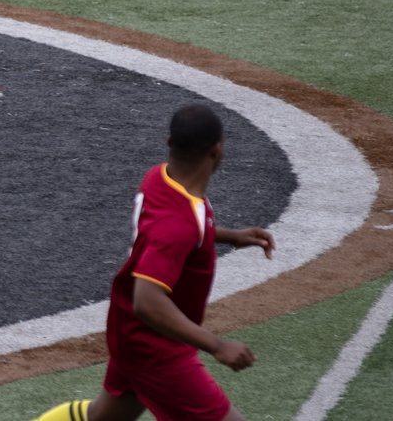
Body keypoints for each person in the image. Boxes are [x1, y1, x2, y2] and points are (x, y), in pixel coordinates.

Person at [28, 104, 276, 421]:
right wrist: (217, 345)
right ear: (216, 149)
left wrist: (229, 236)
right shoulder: (179, 223)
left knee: (101, 417)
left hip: (131, 331)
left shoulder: (160, 177)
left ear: (169, 142)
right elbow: (147, 300)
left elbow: (175, 231)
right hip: (157, 347)